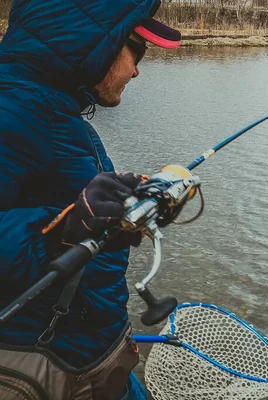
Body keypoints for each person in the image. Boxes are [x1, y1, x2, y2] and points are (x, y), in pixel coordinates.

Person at [0, 0, 181, 398]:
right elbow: (61, 227)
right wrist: (60, 232)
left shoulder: (61, 114)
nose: (137, 69)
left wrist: (129, 208)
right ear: (94, 43)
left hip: (93, 352)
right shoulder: (10, 112)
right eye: (138, 49)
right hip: (39, 363)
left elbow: (73, 210)